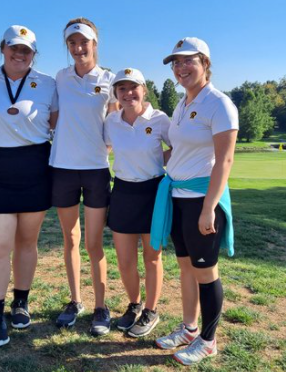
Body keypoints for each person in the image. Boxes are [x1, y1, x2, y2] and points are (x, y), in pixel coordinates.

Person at [151, 37, 238, 366]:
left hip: (202, 200)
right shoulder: (182, 103)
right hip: (178, 197)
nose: (181, 68)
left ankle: (208, 340)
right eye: (176, 63)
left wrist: (207, 209)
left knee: (205, 272)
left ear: (205, 63)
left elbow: (225, 161)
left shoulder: (219, 104)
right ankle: (189, 329)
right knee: (186, 268)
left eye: (188, 61)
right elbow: (180, 150)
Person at [0, 25, 58, 348]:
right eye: (14, 48)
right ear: (3, 48)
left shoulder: (48, 83)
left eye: (26, 50)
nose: (19, 54)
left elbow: (58, 124)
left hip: (36, 166)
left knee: (27, 242)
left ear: (33, 54)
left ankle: (20, 302)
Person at [49, 17, 118, 337]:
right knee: (71, 239)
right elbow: (49, 117)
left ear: (95, 43)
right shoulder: (59, 79)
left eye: (84, 42)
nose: (78, 49)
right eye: (72, 44)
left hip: (95, 169)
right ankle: (75, 301)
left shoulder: (109, 79)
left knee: (93, 243)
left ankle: (100, 307)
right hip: (62, 167)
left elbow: (117, 123)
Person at [104, 68, 171, 338]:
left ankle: (151, 310)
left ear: (144, 90)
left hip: (153, 191)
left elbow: (179, 146)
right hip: (122, 191)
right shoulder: (111, 121)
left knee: (152, 257)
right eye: (122, 89)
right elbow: (104, 147)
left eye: (133, 88)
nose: (128, 93)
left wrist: (158, 161)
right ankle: (134, 304)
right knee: (124, 259)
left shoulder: (160, 119)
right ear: (116, 94)